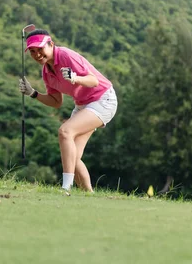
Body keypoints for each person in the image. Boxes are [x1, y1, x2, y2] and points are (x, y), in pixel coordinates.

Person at [19, 29, 118, 195]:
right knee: (73, 157)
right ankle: (89, 195)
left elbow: (93, 81)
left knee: (65, 131)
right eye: (33, 52)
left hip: (103, 99)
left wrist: (75, 78)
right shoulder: (46, 72)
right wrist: (33, 93)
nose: (37, 55)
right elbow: (56, 102)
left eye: (40, 49)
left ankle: (66, 188)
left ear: (51, 44)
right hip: (83, 105)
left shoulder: (66, 56)